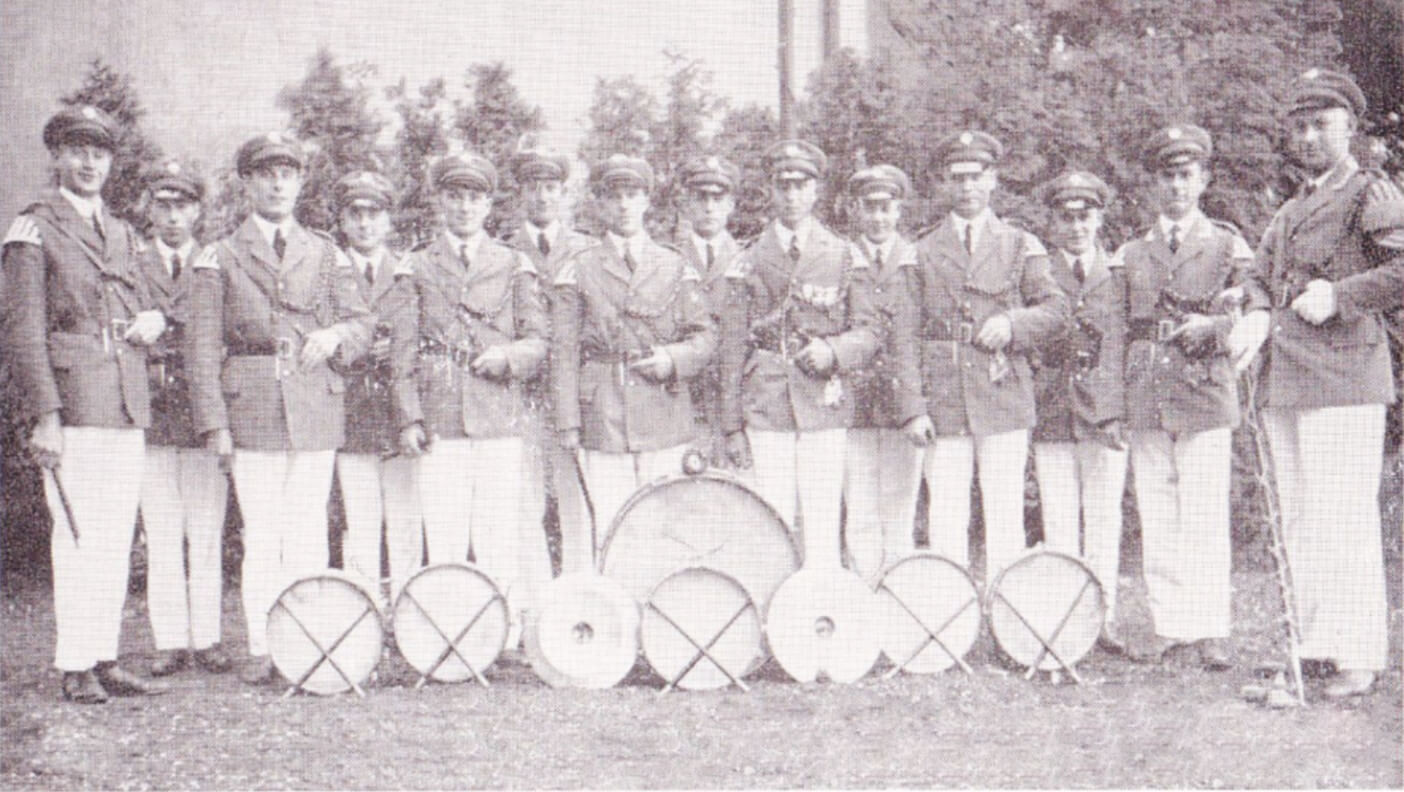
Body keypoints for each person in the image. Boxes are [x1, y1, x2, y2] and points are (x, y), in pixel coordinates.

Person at [1232, 68, 1404, 697]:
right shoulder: (1292, 206)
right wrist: (1252, 307)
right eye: (1298, 126)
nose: (1307, 136)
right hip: (1289, 380)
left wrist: (1342, 294)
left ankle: (1357, 656)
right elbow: (1257, 274)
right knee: (1302, 519)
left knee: (1343, 516)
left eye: (1320, 124)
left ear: (1350, 128)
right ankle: (1313, 649)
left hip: (1346, 376)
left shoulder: (1370, 195)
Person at [186, 132, 373, 684]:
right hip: (253, 405)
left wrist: (336, 335)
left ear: (299, 182)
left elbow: (363, 321)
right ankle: (264, 646)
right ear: (246, 182)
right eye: (265, 173)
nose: (276, 183)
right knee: (264, 531)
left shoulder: (326, 250)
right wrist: (215, 425)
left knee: (309, 528)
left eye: (287, 173)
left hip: (315, 402)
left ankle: (308, 640)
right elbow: (200, 349)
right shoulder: (217, 256)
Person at [0, 105, 168, 701]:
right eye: (77, 150)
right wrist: (45, 416)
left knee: (117, 534)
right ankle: (74, 664)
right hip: (72, 407)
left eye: (99, 152)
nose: (89, 162)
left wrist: (152, 318)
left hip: (124, 402)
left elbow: (147, 301)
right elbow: (22, 332)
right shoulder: (33, 228)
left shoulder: (121, 232)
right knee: (77, 533)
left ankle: (105, 655)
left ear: (111, 161)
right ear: (57, 157)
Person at [1117, 124, 1263, 671]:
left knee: (1202, 511)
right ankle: (1169, 624)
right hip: (1149, 390)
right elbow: (1118, 329)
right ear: (1155, 182)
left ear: (1204, 179)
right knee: (1158, 511)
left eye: (1186, 175)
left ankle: (1209, 628)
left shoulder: (1228, 243)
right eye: (1167, 176)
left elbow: (1253, 304)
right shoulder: (1132, 250)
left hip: (1203, 388)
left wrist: (1220, 324)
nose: (1176, 186)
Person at [892, 131, 1068, 579]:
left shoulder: (1018, 243)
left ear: (993, 180)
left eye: (976, 176)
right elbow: (905, 335)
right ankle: (950, 624)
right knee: (947, 517)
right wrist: (912, 408)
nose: (967, 187)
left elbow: (1055, 309)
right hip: (945, 399)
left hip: (1002, 391)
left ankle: (1008, 618)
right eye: (957, 178)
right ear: (943, 184)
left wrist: (1013, 324)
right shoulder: (922, 250)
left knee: (1005, 515)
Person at [392, 153, 552, 640]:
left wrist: (507, 358)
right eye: (455, 196)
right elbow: (403, 349)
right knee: (444, 534)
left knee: (498, 532)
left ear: (488, 205)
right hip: (441, 411)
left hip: (498, 412)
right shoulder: (416, 264)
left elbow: (539, 340)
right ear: (440, 201)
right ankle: (449, 633)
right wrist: (409, 417)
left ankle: (499, 636)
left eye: (474, 197)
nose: (464, 206)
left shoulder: (512, 263)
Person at [719, 140, 882, 569]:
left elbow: (869, 331)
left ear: (816, 192)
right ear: (770, 192)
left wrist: (834, 350)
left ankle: (821, 618)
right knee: (770, 519)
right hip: (766, 402)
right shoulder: (748, 257)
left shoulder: (845, 254)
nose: (791, 195)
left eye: (801, 185)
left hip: (821, 402)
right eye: (782, 185)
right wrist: (731, 423)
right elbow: (732, 346)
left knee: (822, 519)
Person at [552, 154, 718, 554]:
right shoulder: (579, 267)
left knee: (667, 523)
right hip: (604, 415)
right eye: (614, 196)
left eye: (633, 195)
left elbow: (705, 336)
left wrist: (673, 359)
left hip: (663, 410)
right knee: (612, 526)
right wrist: (568, 422)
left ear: (646, 201)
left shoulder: (675, 266)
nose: (624, 205)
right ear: (600, 204)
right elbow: (564, 352)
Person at [137, 158, 232, 677]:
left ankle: (209, 636)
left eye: (183, 206)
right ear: (149, 210)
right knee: (161, 526)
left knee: (207, 526)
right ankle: (170, 638)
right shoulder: (131, 261)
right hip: (151, 408)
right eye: (163, 206)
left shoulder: (214, 262)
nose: (173, 217)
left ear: (198, 211)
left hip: (203, 409)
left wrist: (166, 320)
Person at [1028, 170, 1128, 652]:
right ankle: (1066, 622)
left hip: (1104, 417)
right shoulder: (1039, 272)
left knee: (1104, 519)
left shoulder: (1120, 275)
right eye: (1065, 218)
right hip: (1053, 413)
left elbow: (1126, 347)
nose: (1075, 227)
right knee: (1060, 520)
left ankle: (1101, 619)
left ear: (1100, 218)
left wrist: (1115, 410)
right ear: (1052, 221)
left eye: (1084, 216)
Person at [501, 150, 595, 575]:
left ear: (564, 193)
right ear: (520, 192)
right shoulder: (502, 253)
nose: (541, 196)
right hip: (521, 396)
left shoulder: (588, 251)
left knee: (577, 498)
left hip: (575, 396)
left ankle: (580, 591)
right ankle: (534, 598)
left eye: (551, 187)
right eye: (533, 187)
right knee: (524, 500)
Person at [332, 170, 424, 603]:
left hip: (399, 411)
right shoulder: (327, 269)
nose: (365, 223)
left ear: (388, 221)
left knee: (405, 518)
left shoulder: (409, 272)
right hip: (349, 411)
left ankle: (408, 612)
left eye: (374, 214)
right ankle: (362, 615)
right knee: (360, 519)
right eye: (355, 214)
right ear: (343, 221)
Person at [841, 164, 922, 584]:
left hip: (903, 403)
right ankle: (861, 596)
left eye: (886, 208)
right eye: (869, 208)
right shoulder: (841, 260)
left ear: (899, 210)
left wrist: (917, 402)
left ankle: (898, 595)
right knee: (859, 507)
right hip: (854, 402)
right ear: (856, 210)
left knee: (900, 504)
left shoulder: (916, 261)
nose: (878, 218)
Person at [674, 154, 744, 468]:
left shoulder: (748, 259)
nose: (709, 207)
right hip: (680, 401)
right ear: (687, 203)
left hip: (736, 406)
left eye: (718, 198)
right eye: (701, 197)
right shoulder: (666, 261)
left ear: (731, 204)